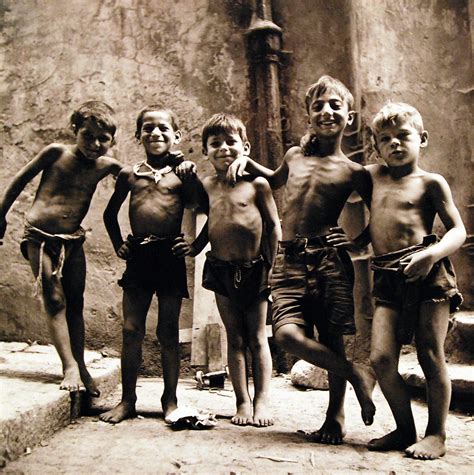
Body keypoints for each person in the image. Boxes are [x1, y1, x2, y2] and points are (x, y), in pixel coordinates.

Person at [227, 75, 376, 444]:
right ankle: (356, 374)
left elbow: (383, 216)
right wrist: (245, 161)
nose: (326, 112)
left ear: (350, 118)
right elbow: (275, 180)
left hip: (329, 259)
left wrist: (356, 244)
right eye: (318, 106)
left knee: (332, 337)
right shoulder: (295, 155)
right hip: (290, 258)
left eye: (335, 106)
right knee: (287, 335)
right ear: (308, 115)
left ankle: (335, 417)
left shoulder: (354, 172)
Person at [0, 101, 122, 396]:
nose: (94, 144)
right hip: (39, 237)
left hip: (73, 241)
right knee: (54, 299)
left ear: (112, 140)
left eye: (102, 139)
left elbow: (139, 179)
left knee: (75, 302)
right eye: (87, 135)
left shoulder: (108, 166)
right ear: (74, 130)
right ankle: (68, 366)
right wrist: (1, 215)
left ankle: (80, 366)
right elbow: (19, 181)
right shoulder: (56, 153)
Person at [366, 102, 465, 459]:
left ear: (421, 139)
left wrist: (432, 255)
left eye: (403, 136)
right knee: (380, 358)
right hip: (388, 278)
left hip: (428, 275)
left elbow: (458, 230)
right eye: (386, 139)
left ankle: (436, 434)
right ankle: (404, 429)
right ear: (377, 146)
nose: (395, 144)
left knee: (429, 354)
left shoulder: (430, 182)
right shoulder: (373, 177)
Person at [99, 105, 197, 424]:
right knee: (131, 330)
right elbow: (109, 214)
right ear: (139, 135)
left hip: (170, 257)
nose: (156, 133)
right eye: (148, 128)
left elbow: (207, 207)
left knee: (168, 331)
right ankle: (128, 401)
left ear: (176, 135)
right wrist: (120, 246)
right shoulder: (130, 175)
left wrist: (197, 243)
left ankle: (170, 400)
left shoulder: (183, 175)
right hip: (139, 256)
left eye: (163, 128)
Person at [191, 113, 281, 426]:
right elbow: (211, 222)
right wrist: (194, 246)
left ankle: (262, 402)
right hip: (220, 269)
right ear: (206, 151)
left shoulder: (258, 184)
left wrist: (272, 266)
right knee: (235, 338)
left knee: (257, 337)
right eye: (215, 143)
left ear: (245, 146)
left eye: (231, 142)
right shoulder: (207, 185)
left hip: (255, 268)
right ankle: (241, 402)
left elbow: (274, 227)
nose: (224, 148)